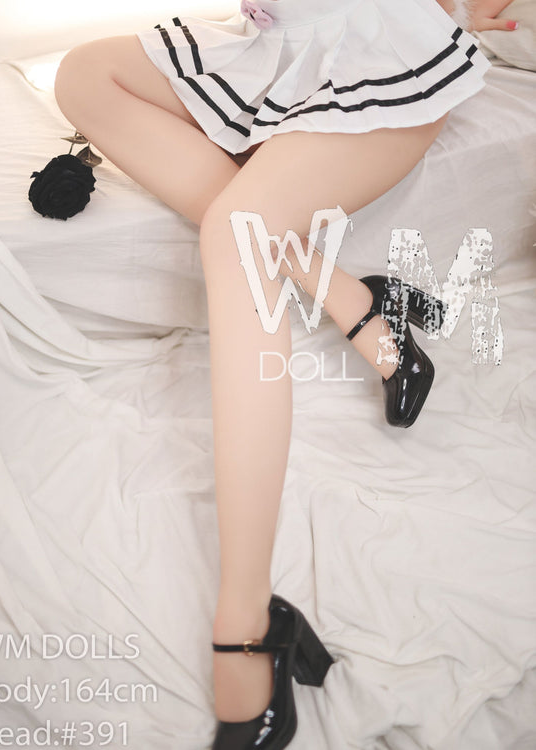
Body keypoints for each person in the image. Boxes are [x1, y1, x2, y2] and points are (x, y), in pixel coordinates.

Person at [53, 1, 517, 747]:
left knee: (238, 232)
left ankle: (246, 621)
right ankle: (355, 301)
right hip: (278, 51)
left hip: (380, 51)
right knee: (83, 74)